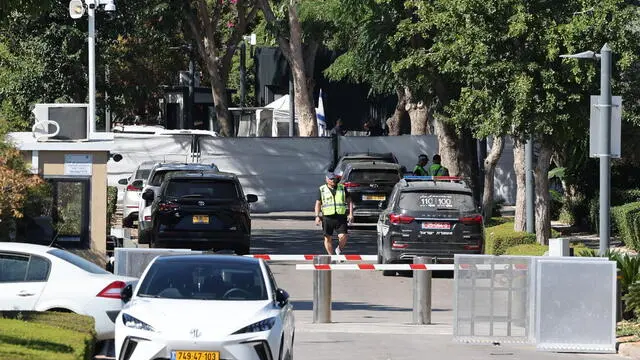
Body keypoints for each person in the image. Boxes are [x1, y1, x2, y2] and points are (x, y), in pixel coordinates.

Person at [315, 172, 353, 256]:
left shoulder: (342, 188)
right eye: (331, 179)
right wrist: (317, 216)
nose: (333, 180)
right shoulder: (322, 189)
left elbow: (349, 201)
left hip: (340, 217)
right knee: (327, 238)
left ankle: (339, 250)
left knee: (343, 236)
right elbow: (318, 203)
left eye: (334, 179)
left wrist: (350, 214)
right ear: (326, 179)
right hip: (327, 217)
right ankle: (331, 256)